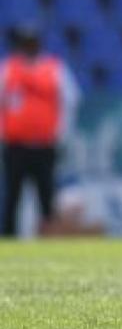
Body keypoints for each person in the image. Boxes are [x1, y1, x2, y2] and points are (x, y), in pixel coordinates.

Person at [1, 24, 81, 237]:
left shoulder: (55, 68)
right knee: (12, 195)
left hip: (44, 144)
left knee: (46, 194)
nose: (29, 47)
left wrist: (61, 133)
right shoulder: (9, 68)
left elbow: (70, 101)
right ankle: (9, 238)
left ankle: (49, 237)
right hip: (15, 144)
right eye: (25, 43)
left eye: (32, 42)